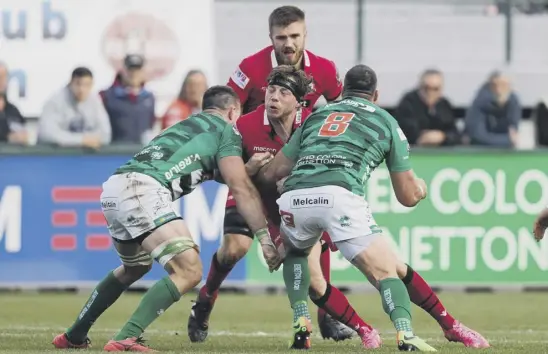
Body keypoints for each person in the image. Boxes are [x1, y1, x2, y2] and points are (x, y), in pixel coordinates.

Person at [259, 64, 489, 350]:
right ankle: (406, 334)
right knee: (387, 272)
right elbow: (406, 196)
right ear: (376, 95)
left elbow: (272, 173)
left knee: (295, 251)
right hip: (340, 196)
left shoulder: (317, 115)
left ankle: (300, 319)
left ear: (342, 91)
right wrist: (420, 189)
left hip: (296, 199)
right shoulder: (385, 120)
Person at [52, 86, 281, 352]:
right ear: (232, 111)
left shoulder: (186, 124)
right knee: (190, 270)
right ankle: (128, 337)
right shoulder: (227, 130)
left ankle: (74, 336)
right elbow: (238, 186)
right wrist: (264, 237)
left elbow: (214, 170)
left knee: (135, 267)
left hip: (115, 187)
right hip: (143, 190)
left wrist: (247, 167)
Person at [188, 65, 381, 349]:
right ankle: (206, 298)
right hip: (251, 193)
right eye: (271, 91)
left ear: (300, 101)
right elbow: (216, 172)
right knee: (234, 249)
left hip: (296, 205)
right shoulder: (244, 127)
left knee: (315, 281)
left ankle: (351, 327)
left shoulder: (316, 123)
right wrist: (246, 169)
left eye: (283, 92)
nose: (273, 98)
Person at [225, 5, 347, 339]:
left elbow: (342, 111)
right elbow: (225, 112)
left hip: (296, 174)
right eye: (282, 37)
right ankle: (206, 298)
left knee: (317, 238)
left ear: (305, 34)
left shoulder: (324, 69)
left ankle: (325, 318)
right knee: (233, 248)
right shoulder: (249, 68)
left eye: (295, 36)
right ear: (271, 38)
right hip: (254, 169)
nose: (288, 43)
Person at [38, 67, 111, 149]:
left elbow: (106, 134)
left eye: (86, 85)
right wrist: (81, 141)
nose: (82, 89)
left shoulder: (95, 100)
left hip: (85, 157)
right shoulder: (55, 101)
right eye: (78, 84)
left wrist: (88, 141)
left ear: (92, 85)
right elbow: (46, 134)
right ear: (70, 83)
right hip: (55, 156)